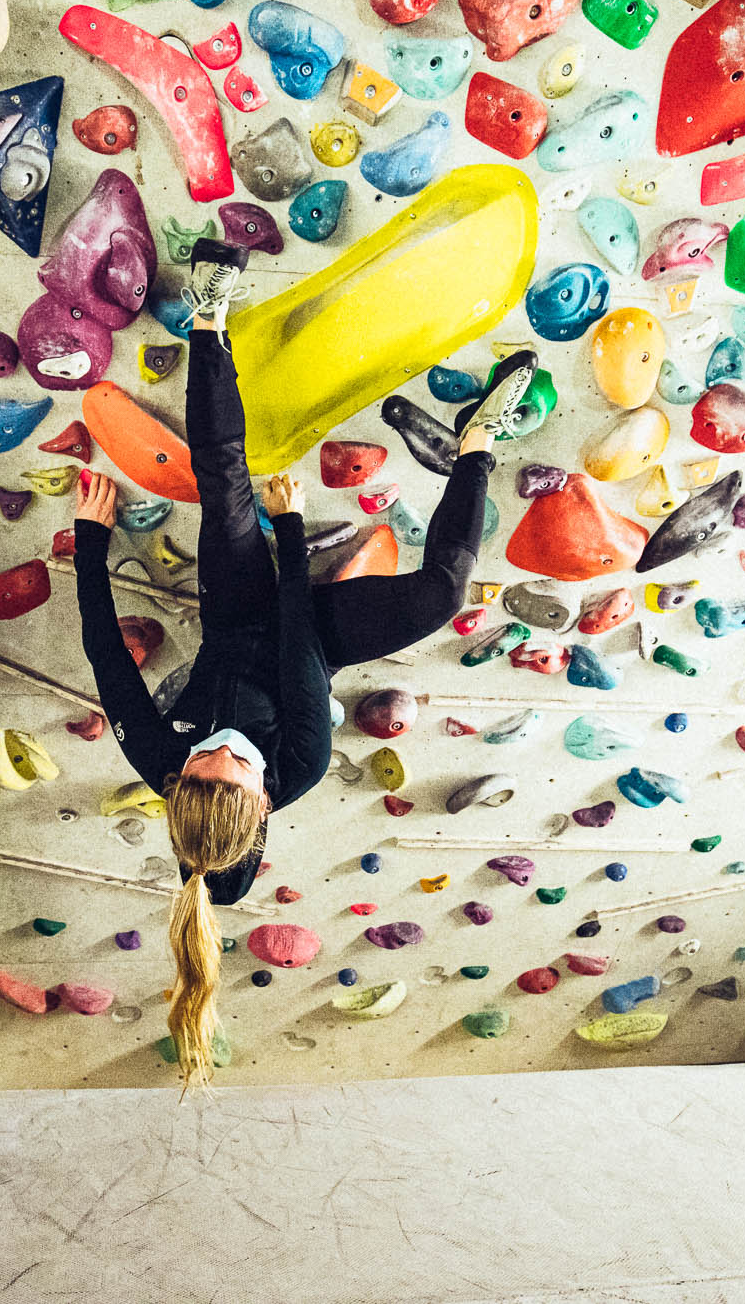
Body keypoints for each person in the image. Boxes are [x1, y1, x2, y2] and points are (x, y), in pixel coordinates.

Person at [70, 239, 538, 1092]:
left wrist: (93, 542)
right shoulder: (301, 762)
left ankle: (209, 315)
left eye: (196, 768)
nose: (215, 754)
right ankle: (476, 445)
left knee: (225, 485)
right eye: (230, 771)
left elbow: (107, 652)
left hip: (233, 610)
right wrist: (291, 531)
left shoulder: (165, 762)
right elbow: (295, 640)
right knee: (438, 594)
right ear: (264, 805)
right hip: (308, 639)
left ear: (176, 788)